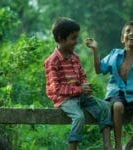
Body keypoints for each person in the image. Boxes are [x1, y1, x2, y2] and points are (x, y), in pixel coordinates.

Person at [44, 17, 113, 150]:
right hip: (64, 99)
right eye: (73, 38)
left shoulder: (75, 58)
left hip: (80, 96)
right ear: (61, 38)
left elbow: (82, 76)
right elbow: (56, 88)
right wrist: (79, 89)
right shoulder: (52, 61)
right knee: (79, 117)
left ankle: (107, 145)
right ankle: (73, 148)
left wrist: (85, 87)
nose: (76, 42)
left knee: (105, 107)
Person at [86, 21, 133, 150]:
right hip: (116, 95)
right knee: (117, 106)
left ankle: (128, 145)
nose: (131, 33)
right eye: (128, 31)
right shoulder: (114, 54)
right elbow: (99, 69)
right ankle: (118, 146)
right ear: (122, 38)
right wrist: (95, 49)